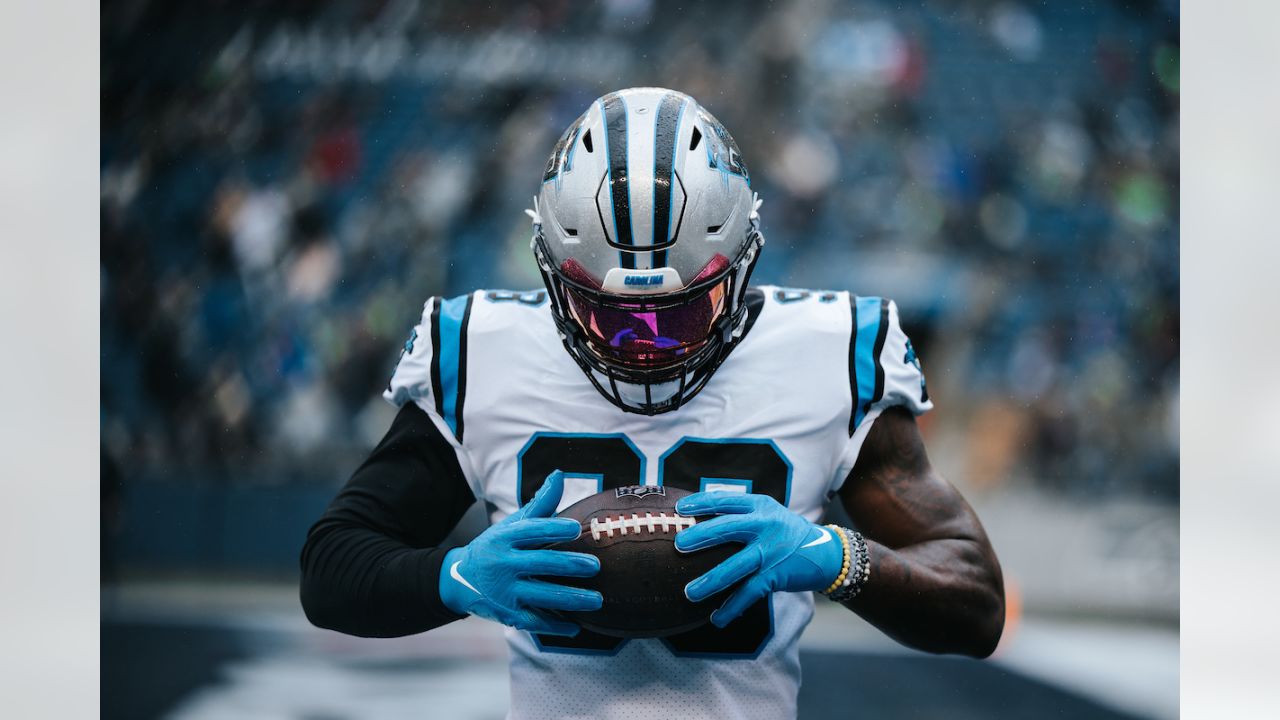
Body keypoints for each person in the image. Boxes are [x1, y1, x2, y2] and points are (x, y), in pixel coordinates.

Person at [300, 87, 1004, 719]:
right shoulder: (484, 350)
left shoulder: (830, 353)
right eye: (611, 315)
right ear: (553, 277)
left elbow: (976, 604)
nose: (646, 346)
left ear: (742, 262)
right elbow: (332, 567)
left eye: (680, 314)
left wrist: (833, 556)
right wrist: (452, 578)